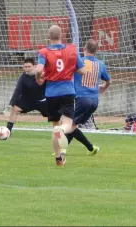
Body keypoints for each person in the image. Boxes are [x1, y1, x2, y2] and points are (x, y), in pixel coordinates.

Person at [35, 25, 86, 167]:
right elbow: (82, 71)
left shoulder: (43, 52)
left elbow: (38, 69)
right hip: (67, 91)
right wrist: (71, 67)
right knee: (67, 125)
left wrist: (39, 78)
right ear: (61, 35)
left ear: (48, 37)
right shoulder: (71, 49)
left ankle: (58, 158)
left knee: (55, 125)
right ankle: (62, 130)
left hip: (51, 94)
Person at [64, 39, 111, 155]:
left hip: (81, 99)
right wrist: (104, 86)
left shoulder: (79, 62)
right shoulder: (100, 64)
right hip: (94, 101)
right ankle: (64, 150)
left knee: (68, 124)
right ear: (96, 51)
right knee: (73, 125)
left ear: (84, 49)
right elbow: (108, 80)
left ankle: (90, 147)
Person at [6, 58, 47, 134]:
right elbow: (18, 90)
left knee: (55, 116)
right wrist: (12, 103)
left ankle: (65, 131)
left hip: (42, 100)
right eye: (25, 67)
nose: (27, 69)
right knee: (14, 109)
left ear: (34, 66)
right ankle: (7, 131)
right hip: (28, 101)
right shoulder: (22, 77)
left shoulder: (42, 74)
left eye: (29, 66)